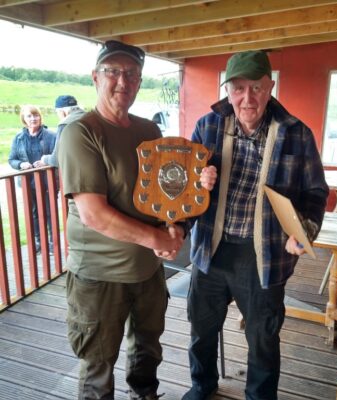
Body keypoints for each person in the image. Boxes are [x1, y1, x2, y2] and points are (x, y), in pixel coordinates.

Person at [182, 50, 329, 400]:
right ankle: (202, 385)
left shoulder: (297, 134)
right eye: (239, 88)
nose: (247, 98)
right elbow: (185, 187)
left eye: (257, 88)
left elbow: (316, 192)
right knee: (201, 328)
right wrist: (197, 181)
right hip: (211, 250)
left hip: (264, 254)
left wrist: (304, 229)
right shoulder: (208, 126)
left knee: (263, 336)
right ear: (228, 90)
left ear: (271, 87)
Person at [57, 40, 185, 400]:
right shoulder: (81, 132)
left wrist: (173, 225)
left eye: (131, 74)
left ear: (139, 82)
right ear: (96, 77)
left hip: (147, 273)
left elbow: (164, 197)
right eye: (112, 71)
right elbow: (94, 215)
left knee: (147, 354)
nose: (121, 81)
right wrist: (158, 240)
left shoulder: (149, 131)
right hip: (99, 278)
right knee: (98, 367)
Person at [8, 104, 56, 253]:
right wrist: (21, 164)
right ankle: (38, 241)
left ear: (40, 117)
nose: (33, 119)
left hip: (47, 182)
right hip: (27, 184)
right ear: (24, 119)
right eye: (29, 116)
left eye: (36, 115)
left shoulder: (51, 135)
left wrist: (45, 161)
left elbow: (57, 157)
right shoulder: (18, 138)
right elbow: (12, 159)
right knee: (33, 212)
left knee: (49, 212)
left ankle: (52, 242)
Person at [37, 95, 85, 168]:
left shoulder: (64, 124)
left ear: (62, 112)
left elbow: (56, 159)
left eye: (57, 113)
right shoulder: (92, 118)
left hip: (80, 173)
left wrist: (44, 159)